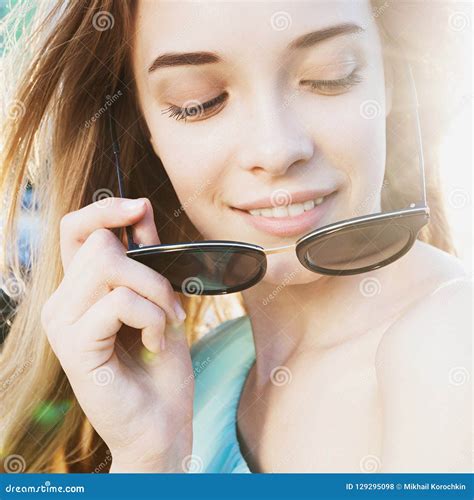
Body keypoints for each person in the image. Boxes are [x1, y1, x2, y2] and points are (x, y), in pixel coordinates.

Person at [0, 0, 471, 473]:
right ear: (142, 129)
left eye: (332, 74)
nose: (277, 149)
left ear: (391, 78)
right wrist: (150, 458)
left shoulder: (451, 340)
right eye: (198, 102)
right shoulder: (194, 373)